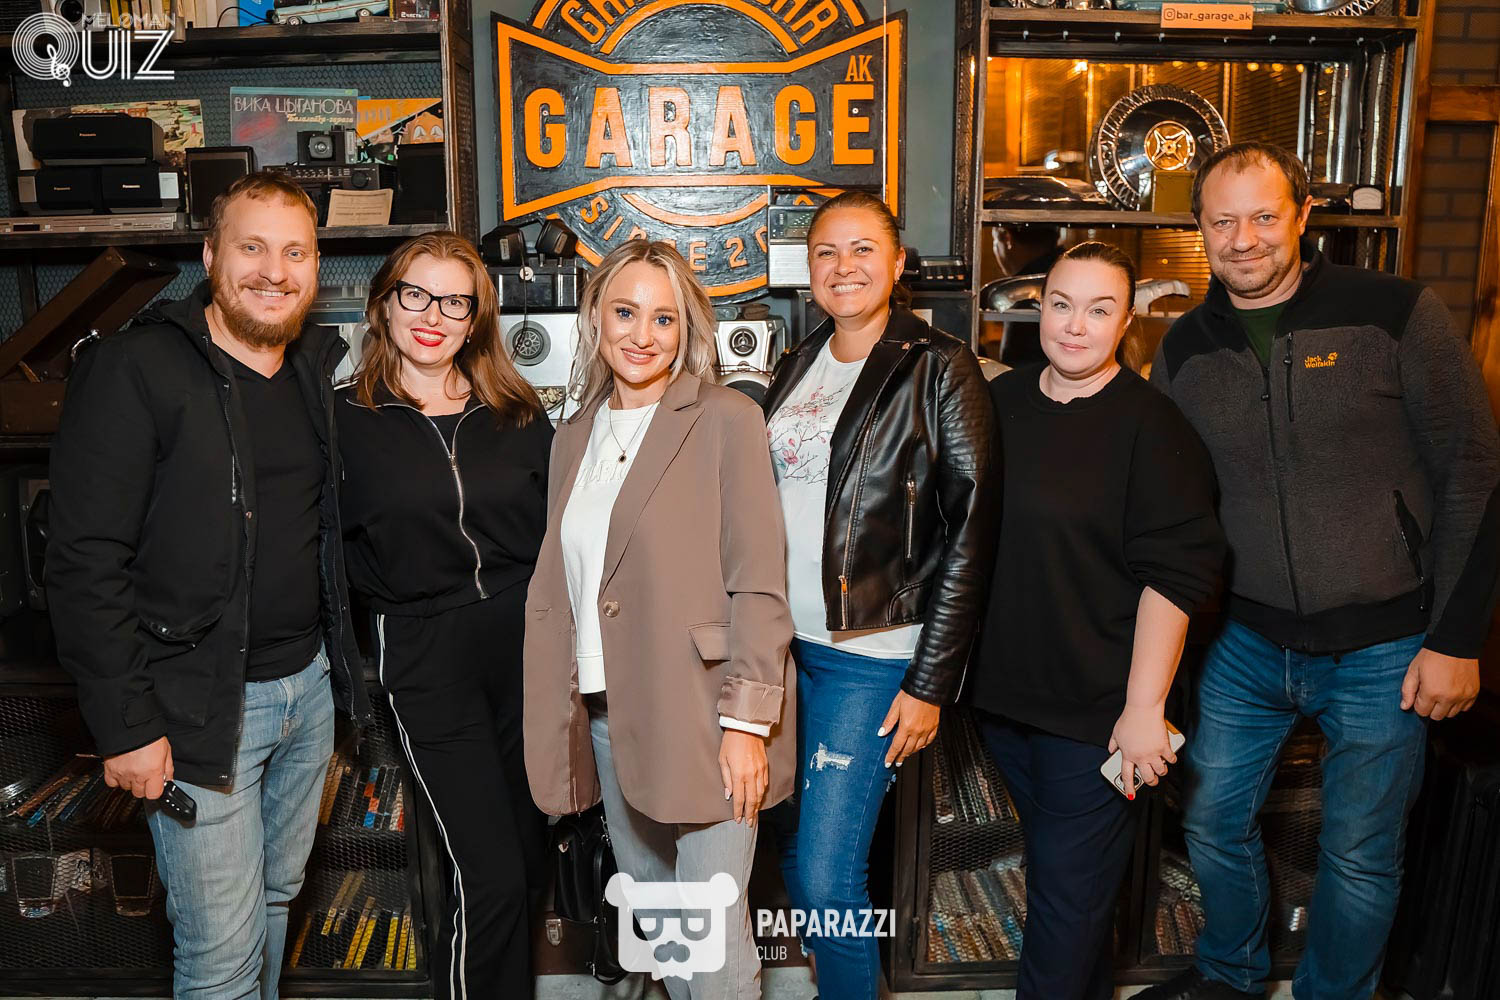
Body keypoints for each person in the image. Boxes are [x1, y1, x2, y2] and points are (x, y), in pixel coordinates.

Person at [1140, 142, 1500, 1000]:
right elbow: (1164, 499)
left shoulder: (1394, 313)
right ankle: (1230, 975)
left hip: (1387, 644)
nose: (1244, 239)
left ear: (1304, 215)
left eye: (1265, 216)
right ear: (1200, 230)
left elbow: (1474, 471)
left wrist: (1455, 639)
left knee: (1360, 851)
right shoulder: (1184, 350)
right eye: (1223, 221)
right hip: (1244, 640)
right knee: (1210, 820)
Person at [46, 171, 368, 999]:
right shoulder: (134, 368)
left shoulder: (311, 370)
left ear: (316, 264)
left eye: (294, 252)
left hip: (308, 694)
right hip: (198, 709)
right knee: (220, 954)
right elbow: (83, 561)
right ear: (210, 255)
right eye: (252, 247)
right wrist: (126, 725)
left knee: (276, 899)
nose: (274, 271)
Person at [523, 239, 794, 1000]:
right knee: (665, 932)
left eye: (664, 318)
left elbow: (759, 583)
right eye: (626, 312)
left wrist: (746, 726)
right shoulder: (574, 435)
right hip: (609, 717)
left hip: (704, 716)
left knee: (713, 949)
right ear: (596, 319)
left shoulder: (725, 419)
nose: (643, 335)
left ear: (687, 330)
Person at [970, 241, 1225, 1000]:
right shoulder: (1003, 403)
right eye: (1061, 304)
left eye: (1099, 309)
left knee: (1063, 908)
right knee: (1065, 888)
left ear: (1126, 322)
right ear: (1038, 308)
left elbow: (1175, 579)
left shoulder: (1154, 428)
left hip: (1098, 718)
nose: (1075, 325)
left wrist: (1144, 708)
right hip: (1006, 704)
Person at [760, 190, 995, 1000]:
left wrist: (930, 682)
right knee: (795, 854)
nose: (844, 266)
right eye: (826, 251)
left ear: (898, 264)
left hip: (871, 656)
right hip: (786, 652)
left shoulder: (939, 366)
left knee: (829, 877)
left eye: (863, 249)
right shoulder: (798, 361)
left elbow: (972, 533)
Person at [336, 232, 551, 999]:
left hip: (526, 647)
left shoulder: (515, 411)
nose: (433, 316)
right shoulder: (341, 420)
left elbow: (563, 532)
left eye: (454, 301)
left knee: (527, 861)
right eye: (416, 295)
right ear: (384, 304)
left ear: (476, 318)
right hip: (425, 654)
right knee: (486, 875)